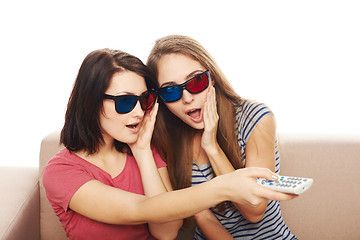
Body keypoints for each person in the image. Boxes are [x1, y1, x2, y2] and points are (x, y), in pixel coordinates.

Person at [43, 48, 295, 240]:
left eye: (145, 100)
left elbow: (165, 231)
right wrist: (225, 186)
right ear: (91, 103)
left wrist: (142, 152)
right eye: (124, 102)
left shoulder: (147, 149)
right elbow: (138, 209)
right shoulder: (61, 171)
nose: (139, 112)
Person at [147, 35, 297, 239]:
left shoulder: (254, 117)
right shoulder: (164, 140)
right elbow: (202, 217)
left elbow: (254, 210)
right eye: (171, 90)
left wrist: (212, 147)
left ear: (212, 77)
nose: (187, 98)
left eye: (196, 81)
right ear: (161, 99)